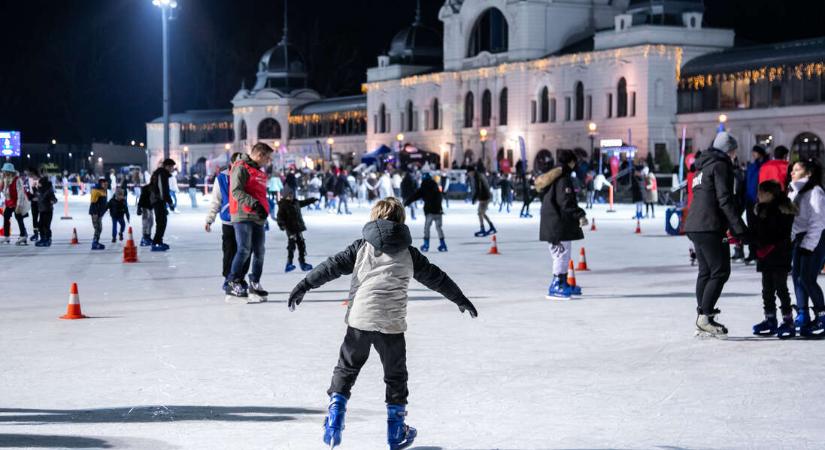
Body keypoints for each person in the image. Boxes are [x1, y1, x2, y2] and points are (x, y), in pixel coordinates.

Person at [286, 198, 478, 450]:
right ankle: (396, 431)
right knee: (395, 377)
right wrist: (459, 298)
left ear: (374, 217)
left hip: (360, 320)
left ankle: (334, 418)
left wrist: (304, 285)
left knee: (346, 369)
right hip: (391, 325)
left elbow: (331, 267)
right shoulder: (410, 253)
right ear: (401, 219)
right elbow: (436, 278)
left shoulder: (361, 247)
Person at [684, 131, 748, 338]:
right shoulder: (721, 166)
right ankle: (704, 317)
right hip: (709, 225)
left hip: (695, 224)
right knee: (720, 271)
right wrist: (739, 228)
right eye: (734, 151)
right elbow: (724, 200)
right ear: (729, 150)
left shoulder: (702, 167)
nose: (735, 155)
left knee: (705, 272)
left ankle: (703, 317)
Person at [225, 143, 273, 302]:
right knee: (244, 249)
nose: (269, 160)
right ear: (260, 155)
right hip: (243, 215)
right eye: (268, 157)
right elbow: (236, 191)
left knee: (260, 251)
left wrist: (264, 209)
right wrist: (254, 204)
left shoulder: (258, 170)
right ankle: (233, 282)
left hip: (257, 216)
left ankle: (255, 282)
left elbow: (259, 193)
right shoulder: (241, 167)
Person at [537, 149, 588, 299]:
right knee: (560, 254)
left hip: (555, 222)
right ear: (571, 162)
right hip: (557, 224)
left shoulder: (552, 177)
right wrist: (580, 215)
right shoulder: (563, 179)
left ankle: (563, 281)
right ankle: (556, 284)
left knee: (563, 253)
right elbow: (566, 202)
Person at [750, 180, 797, 338]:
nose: (758, 196)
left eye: (761, 193)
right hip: (766, 255)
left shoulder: (781, 211)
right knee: (767, 289)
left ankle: (788, 320)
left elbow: (774, 233)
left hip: (779, 255)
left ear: (770, 194)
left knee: (781, 288)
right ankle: (770, 319)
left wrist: (756, 240)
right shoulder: (761, 209)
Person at [788, 160, 825, 337]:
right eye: (792, 170)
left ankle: (822, 316)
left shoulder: (815, 191)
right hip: (799, 239)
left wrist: (809, 245)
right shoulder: (795, 191)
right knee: (797, 278)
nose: (792, 173)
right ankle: (803, 314)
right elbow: (793, 221)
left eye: (796, 170)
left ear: (808, 173)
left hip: (815, 238)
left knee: (807, 279)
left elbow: (818, 221)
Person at [206, 153, 250, 292]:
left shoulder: (248, 176)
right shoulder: (222, 178)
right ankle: (228, 279)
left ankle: (239, 278)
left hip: (245, 219)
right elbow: (216, 200)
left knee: (244, 252)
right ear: (232, 163)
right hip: (229, 221)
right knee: (230, 251)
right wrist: (210, 219)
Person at [404, 172, 447, 252]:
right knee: (439, 228)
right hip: (438, 211)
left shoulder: (423, 188)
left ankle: (426, 245)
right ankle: (443, 244)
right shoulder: (436, 187)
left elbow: (414, 196)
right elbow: (440, 197)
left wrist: (406, 203)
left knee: (427, 228)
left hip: (429, 212)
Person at [276, 189, 317, 272]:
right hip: (290, 229)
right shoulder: (283, 205)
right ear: (285, 196)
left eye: (291, 194)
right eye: (288, 195)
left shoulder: (296, 202)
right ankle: (289, 264)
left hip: (298, 228)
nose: (290, 196)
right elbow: (280, 218)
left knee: (301, 245)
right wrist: (283, 226)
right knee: (292, 246)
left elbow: (304, 202)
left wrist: (312, 200)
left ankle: (302, 263)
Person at [744, 145, 767, 263]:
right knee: (752, 228)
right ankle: (753, 252)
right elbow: (746, 183)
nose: (753, 154)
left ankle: (759, 252)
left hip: (760, 200)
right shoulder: (752, 166)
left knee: (760, 228)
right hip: (750, 200)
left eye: (755, 152)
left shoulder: (764, 166)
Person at [149, 159, 176, 251]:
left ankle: (158, 241)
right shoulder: (161, 174)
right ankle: (156, 243)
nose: (173, 169)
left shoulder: (161, 174)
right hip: (158, 200)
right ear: (167, 166)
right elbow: (163, 190)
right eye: (172, 167)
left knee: (162, 221)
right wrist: (169, 202)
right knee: (161, 222)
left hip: (159, 200)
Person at [0, 163, 30, 245]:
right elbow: (1, 189)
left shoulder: (17, 180)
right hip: (9, 203)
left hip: (17, 202)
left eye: (5, 171)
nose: (4, 173)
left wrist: (18, 205)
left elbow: (20, 193)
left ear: (10, 172)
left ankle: (23, 236)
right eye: (3, 171)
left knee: (19, 219)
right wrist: (2, 180)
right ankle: (6, 236)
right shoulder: (5, 179)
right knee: (6, 217)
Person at [468, 165, 496, 237]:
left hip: (485, 197)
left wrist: (474, 198)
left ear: (472, 171)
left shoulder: (477, 177)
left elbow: (479, 189)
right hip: (484, 196)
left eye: (469, 173)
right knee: (481, 213)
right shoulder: (479, 175)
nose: (469, 174)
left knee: (480, 213)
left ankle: (483, 228)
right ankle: (491, 226)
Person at [34, 176, 58, 247]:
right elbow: (37, 197)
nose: (39, 184)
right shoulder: (40, 190)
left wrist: (53, 201)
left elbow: (54, 199)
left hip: (48, 210)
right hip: (41, 210)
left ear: (44, 183)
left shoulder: (49, 191)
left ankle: (48, 239)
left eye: (40, 183)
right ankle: (42, 238)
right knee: (40, 225)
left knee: (46, 226)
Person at [89, 178, 109, 250]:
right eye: (105, 184)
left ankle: (96, 242)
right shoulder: (96, 190)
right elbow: (93, 202)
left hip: (100, 213)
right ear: (101, 184)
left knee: (99, 228)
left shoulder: (104, 190)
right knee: (97, 228)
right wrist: (95, 213)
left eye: (107, 184)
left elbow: (104, 203)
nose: (106, 185)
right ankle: (94, 243)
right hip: (95, 213)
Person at [136, 180, 154, 247]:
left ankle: (148, 236)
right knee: (146, 223)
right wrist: (139, 207)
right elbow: (141, 198)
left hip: (150, 207)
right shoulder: (146, 188)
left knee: (151, 223)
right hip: (145, 207)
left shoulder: (155, 188)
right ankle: (144, 238)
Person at [26, 169, 40, 242]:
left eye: (32, 175)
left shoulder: (41, 180)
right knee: (34, 218)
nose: (31, 176)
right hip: (33, 202)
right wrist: (31, 197)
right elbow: (29, 191)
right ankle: (36, 234)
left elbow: (41, 191)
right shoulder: (29, 180)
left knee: (42, 218)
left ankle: (42, 233)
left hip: (41, 203)